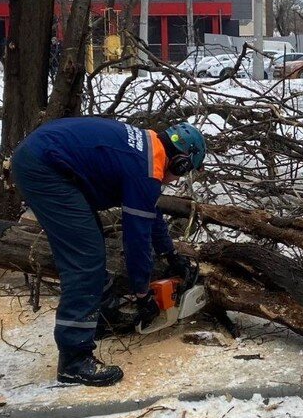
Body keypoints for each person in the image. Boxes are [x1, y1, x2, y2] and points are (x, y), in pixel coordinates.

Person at [11, 118, 206, 386]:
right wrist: (142, 293)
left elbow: (150, 211)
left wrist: (170, 254)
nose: (174, 180)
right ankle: (74, 360)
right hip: (45, 168)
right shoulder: (146, 169)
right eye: (181, 173)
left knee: (89, 245)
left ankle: (102, 317)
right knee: (85, 259)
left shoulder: (148, 150)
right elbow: (136, 239)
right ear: (181, 162)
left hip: (48, 160)